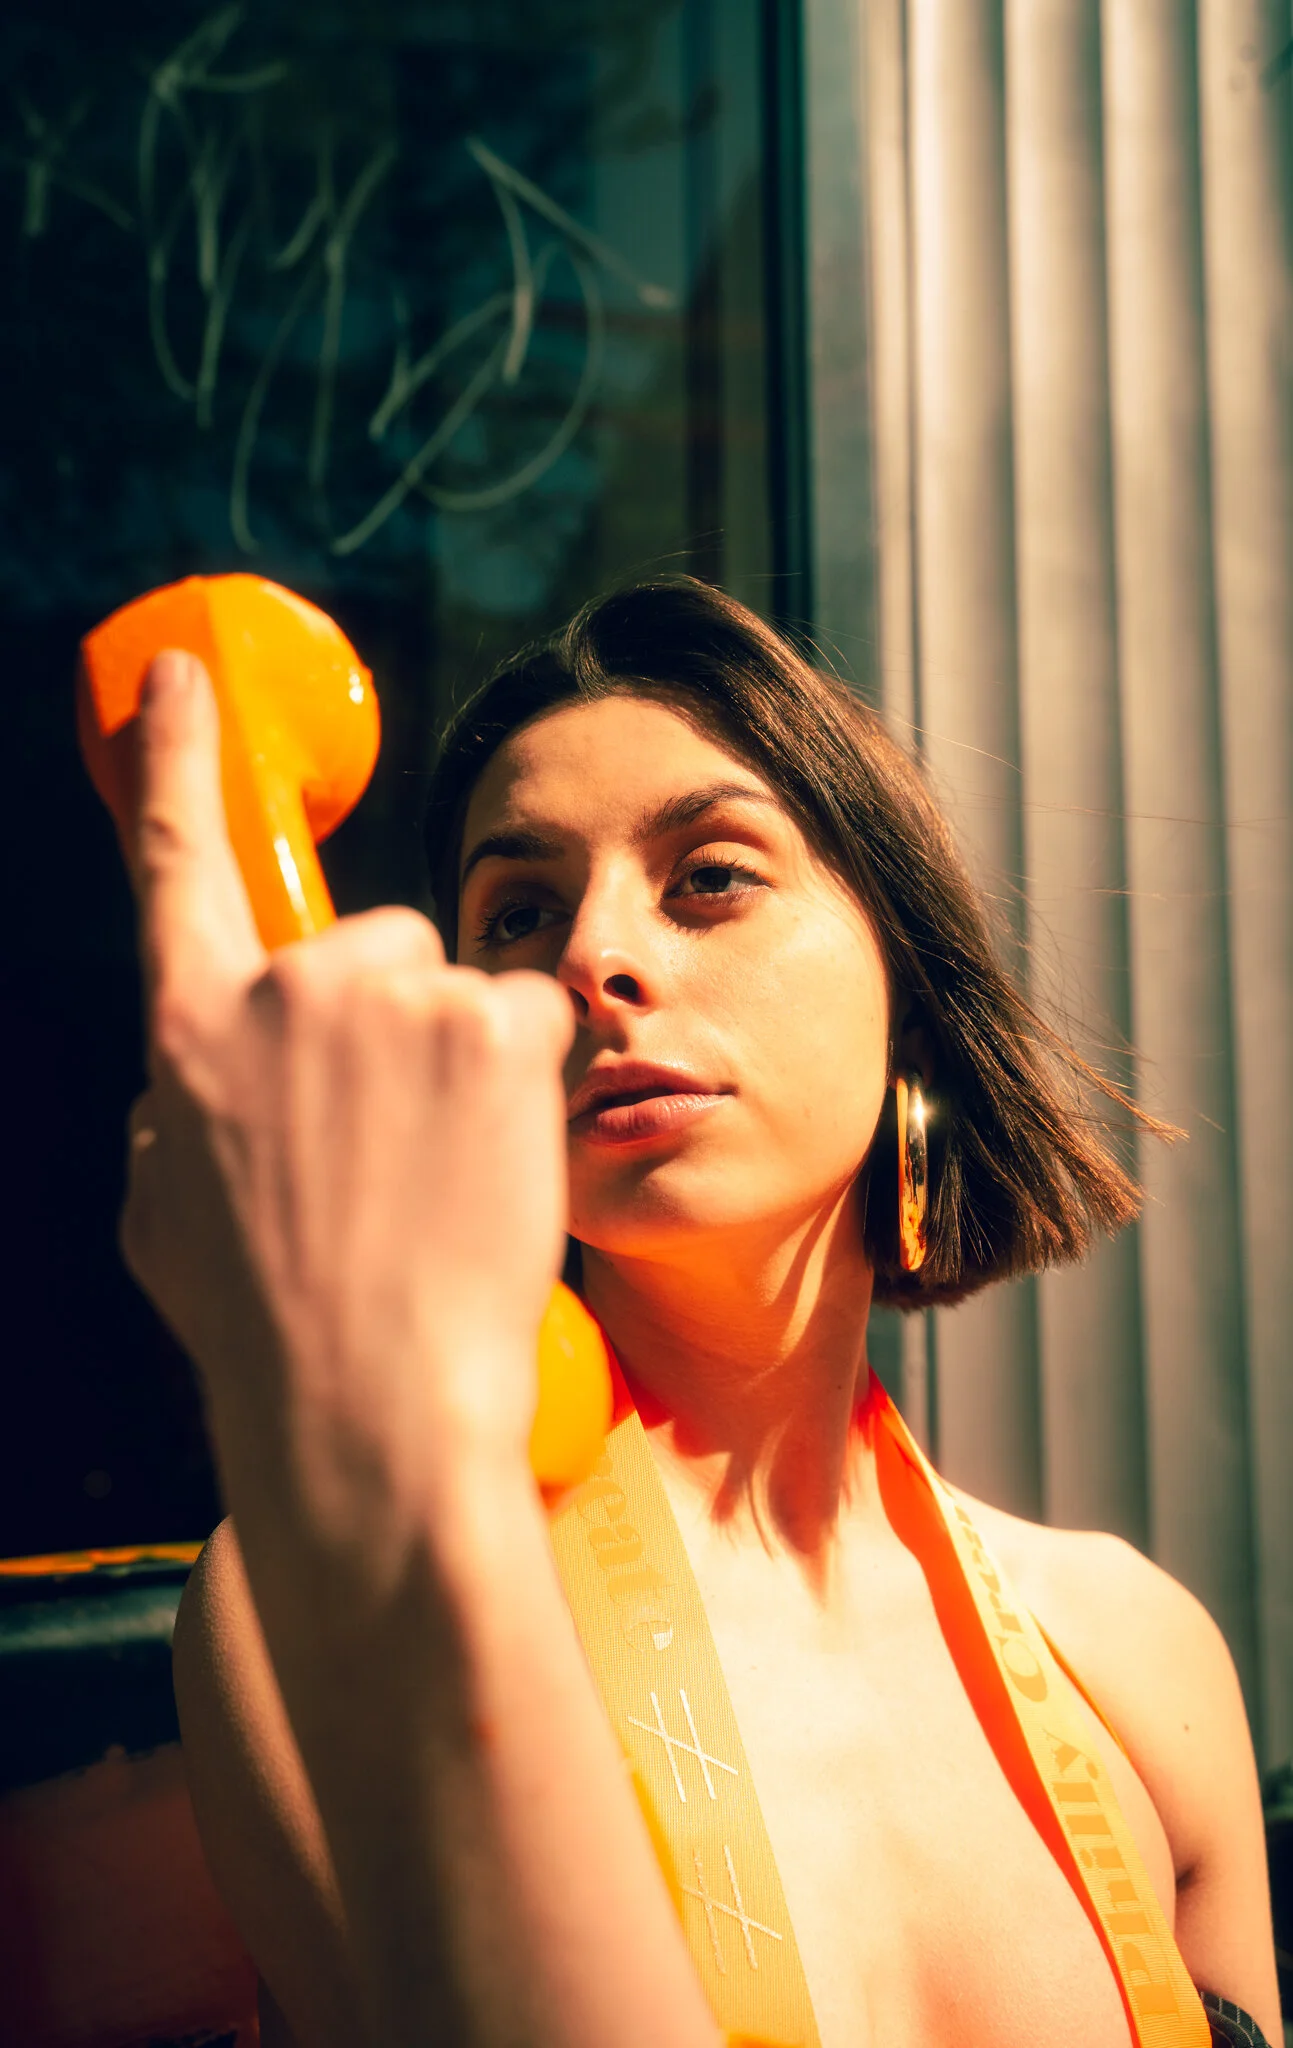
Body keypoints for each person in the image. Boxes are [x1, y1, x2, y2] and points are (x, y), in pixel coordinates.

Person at [125, 579, 1281, 2048]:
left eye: (710, 877)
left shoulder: (1137, 1655)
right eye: (518, 912)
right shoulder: (319, 1598)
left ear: (908, 992)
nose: (590, 958)